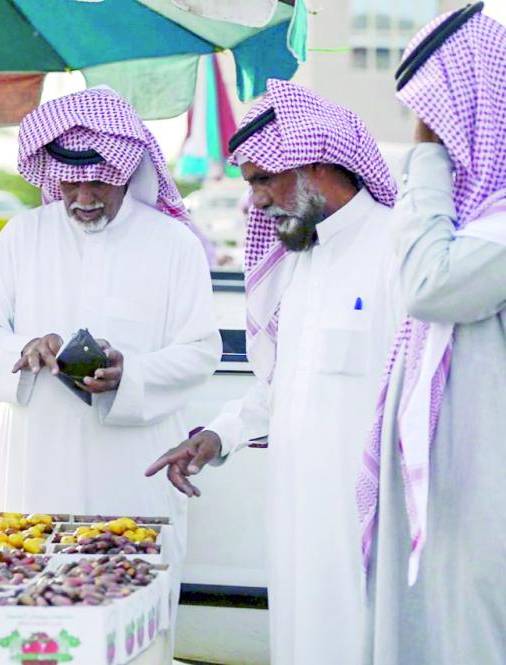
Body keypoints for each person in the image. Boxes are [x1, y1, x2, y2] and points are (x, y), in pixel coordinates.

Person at [147, 80, 403, 665]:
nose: (255, 201)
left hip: (366, 523)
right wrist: (220, 434)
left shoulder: (396, 247)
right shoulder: (300, 256)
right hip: (295, 512)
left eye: (264, 178)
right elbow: (283, 386)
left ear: (315, 162)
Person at [0, 86, 220, 577]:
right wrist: (25, 347)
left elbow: (200, 351)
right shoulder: (22, 235)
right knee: (31, 594)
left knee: (127, 600)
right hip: (36, 459)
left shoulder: (173, 244)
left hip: (131, 466)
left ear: (126, 171)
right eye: (69, 184)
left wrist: (131, 372)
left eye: (98, 183)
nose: (82, 198)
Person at [357, 5, 506, 663]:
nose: (426, 129)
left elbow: (429, 281)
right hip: (455, 482)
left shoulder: (493, 228)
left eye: (435, 110)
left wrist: (425, 151)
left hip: (484, 478)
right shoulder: (469, 222)